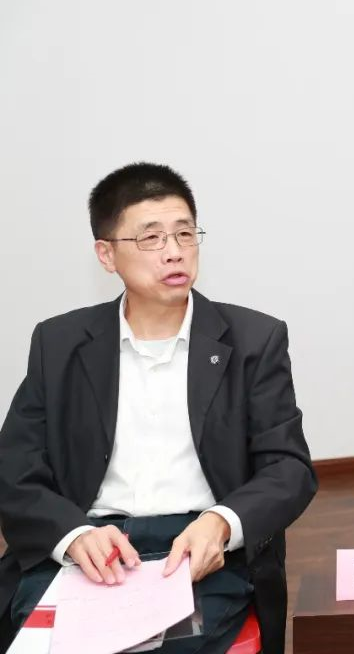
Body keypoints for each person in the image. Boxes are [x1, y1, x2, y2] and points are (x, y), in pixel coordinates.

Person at [0, 163, 317, 654]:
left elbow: (289, 468)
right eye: (151, 238)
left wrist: (223, 522)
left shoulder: (254, 340)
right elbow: (15, 469)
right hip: (92, 551)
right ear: (106, 254)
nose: (174, 251)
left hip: (195, 549)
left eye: (185, 234)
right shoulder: (59, 343)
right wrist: (72, 534)